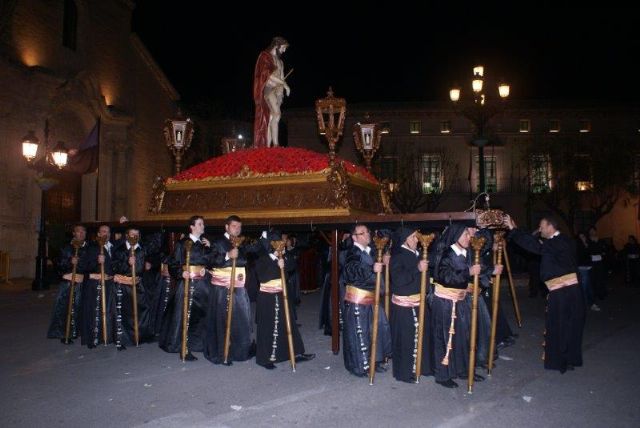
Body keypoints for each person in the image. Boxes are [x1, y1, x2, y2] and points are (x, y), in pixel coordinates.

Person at [506, 214, 585, 373]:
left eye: (541, 226)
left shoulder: (558, 242)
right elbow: (534, 240)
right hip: (569, 291)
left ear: (550, 227)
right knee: (568, 326)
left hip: (563, 292)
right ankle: (568, 359)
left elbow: (534, 246)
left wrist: (513, 230)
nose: (539, 229)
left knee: (561, 325)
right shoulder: (561, 241)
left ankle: (561, 361)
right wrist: (519, 229)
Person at [427, 223, 482, 388]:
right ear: (456, 235)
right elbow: (444, 276)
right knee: (444, 338)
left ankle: (462, 369)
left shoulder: (468, 253)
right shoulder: (446, 254)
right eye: (466, 234)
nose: (469, 237)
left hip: (460, 301)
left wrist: (491, 270)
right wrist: (468, 273)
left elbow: (479, 268)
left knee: (462, 337)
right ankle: (442, 375)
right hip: (444, 302)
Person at [204, 215, 263, 365]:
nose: (237, 229)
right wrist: (227, 255)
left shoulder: (241, 243)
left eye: (239, 227)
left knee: (241, 320)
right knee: (222, 320)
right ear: (226, 227)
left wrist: (262, 240)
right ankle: (223, 352)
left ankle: (240, 351)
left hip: (239, 287)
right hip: (222, 288)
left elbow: (249, 256)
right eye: (234, 226)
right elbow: (210, 261)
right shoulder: (218, 242)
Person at [254, 230, 315, 369]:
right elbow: (263, 276)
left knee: (288, 324)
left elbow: (293, 266)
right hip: (267, 297)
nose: (279, 246)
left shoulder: (283, 256)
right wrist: (277, 264)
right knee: (268, 326)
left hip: (282, 294)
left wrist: (284, 260)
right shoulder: (262, 258)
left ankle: (296, 353)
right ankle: (265, 359)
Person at [340, 224, 392, 378]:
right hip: (358, 301)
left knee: (374, 331)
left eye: (367, 232)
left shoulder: (371, 250)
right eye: (362, 233)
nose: (367, 235)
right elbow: (351, 270)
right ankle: (360, 366)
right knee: (359, 333)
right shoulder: (352, 253)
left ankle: (373, 362)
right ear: (354, 237)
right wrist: (371, 270)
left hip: (371, 299)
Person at [159, 216, 214, 360]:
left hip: (203, 285)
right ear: (192, 227)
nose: (203, 226)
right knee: (185, 316)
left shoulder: (204, 244)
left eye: (203, 223)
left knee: (202, 316)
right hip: (188, 284)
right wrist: (180, 272)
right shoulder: (182, 244)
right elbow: (173, 263)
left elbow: (211, 262)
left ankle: (199, 344)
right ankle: (183, 347)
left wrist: (208, 262)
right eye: (200, 224)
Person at [389, 227, 428, 383]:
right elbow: (398, 279)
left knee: (419, 337)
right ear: (405, 239)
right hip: (404, 306)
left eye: (416, 237)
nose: (416, 240)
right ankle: (404, 372)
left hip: (419, 302)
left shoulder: (417, 253)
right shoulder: (398, 255)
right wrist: (417, 269)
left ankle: (420, 366)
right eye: (413, 237)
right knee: (406, 340)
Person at [111, 226, 159, 350]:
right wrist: (127, 263)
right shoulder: (120, 250)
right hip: (123, 284)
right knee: (124, 313)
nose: (135, 237)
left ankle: (141, 336)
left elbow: (155, 247)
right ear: (127, 236)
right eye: (132, 234)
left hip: (137, 284)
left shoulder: (141, 249)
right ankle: (121, 340)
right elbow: (114, 267)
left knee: (143, 309)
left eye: (137, 234)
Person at [47, 224, 91, 343]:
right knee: (66, 309)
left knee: (81, 309)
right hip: (68, 284)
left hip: (83, 283)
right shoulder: (66, 248)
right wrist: (69, 262)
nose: (81, 234)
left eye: (83, 232)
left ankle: (78, 331)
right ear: (73, 233)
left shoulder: (89, 248)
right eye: (78, 231)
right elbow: (59, 265)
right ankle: (65, 333)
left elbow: (90, 266)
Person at [81, 224, 118, 348]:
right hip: (95, 284)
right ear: (98, 234)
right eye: (103, 231)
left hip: (109, 284)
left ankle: (107, 336)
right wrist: (97, 261)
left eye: (107, 231)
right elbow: (85, 266)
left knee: (108, 310)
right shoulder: (92, 248)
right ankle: (93, 338)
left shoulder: (113, 247)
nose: (105, 234)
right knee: (95, 311)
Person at [253, 36, 290, 148]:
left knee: (274, 117)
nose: (284, 51)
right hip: (269, 89)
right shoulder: (265, 56)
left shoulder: (280, 62)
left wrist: (282, 91)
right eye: (283, 48)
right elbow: (267, 75)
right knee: (277, 113)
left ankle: (271, 145)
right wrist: (285, 85)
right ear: (277, 46)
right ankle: (274, 144)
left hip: (278, 91)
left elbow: (282, 77)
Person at [576, 231, 599, 311]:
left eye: (584, 236)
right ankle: (585, 304)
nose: (583, 238)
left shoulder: (589, 244)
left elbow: (593, 252)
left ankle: (591, 303)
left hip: (589, 266)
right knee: (584, 286)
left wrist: (592, 243)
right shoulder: (578, 246)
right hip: (582, 267)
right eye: (581, 236)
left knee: (589, 286)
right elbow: (580, 256)